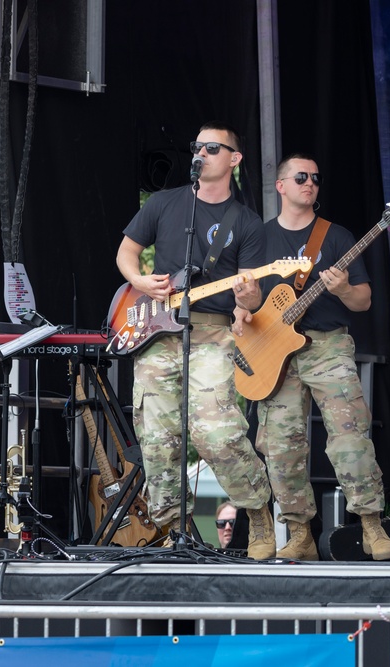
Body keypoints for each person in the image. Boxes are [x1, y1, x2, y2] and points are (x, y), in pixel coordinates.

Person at [115, 120, 276, 559]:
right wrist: (141, 281)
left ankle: (258, 512)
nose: (201, 153)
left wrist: (248, 295)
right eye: (197, 147)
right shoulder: (166, 203)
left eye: (212, 148)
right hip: (157, 328)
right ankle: (175, 529)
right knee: (157, 436)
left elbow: (252, 295)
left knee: (218, 431)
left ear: (234, 159)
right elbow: (126, 252)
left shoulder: (245, 222)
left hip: (212, 331)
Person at [236, 153, 390, 561]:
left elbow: (363, 301)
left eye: (316, 178)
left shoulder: (337, 236)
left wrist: (342, 288)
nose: (310, 183)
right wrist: (247, 303)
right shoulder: (259, 238)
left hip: (327, 345)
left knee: (349, 438)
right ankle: (300, 534)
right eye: (301, 176)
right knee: (279, 445)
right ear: (281, 185)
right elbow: (249, 299)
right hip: (275, 352)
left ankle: (372, 526)